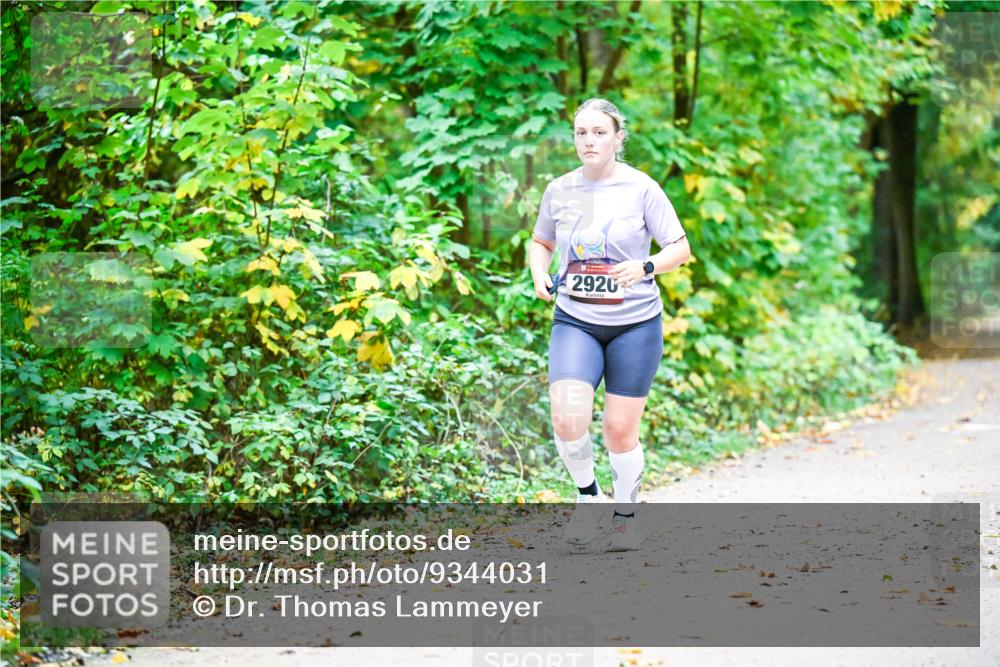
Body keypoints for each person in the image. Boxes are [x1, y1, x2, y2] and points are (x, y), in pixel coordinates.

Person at [528, 98, 692, 551]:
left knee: (619, 429)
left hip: (635, 324)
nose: (589, 141)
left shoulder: (642, 188)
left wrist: (646, 267)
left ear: (618, 138)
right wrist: (538, 272)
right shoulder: (559, 190)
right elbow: (540, 241)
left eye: (599, 132)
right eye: (581, 132)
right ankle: (589, 500)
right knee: (566, 418)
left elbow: (679, 247)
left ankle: (625, 515)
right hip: (576, 319)